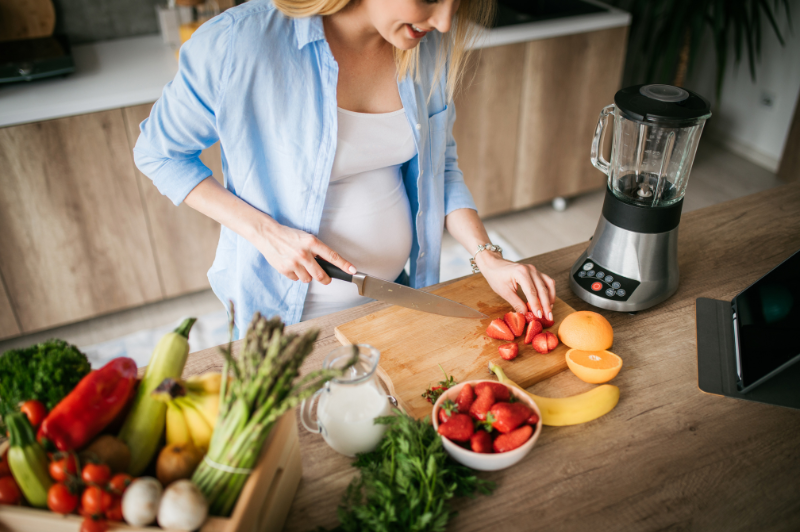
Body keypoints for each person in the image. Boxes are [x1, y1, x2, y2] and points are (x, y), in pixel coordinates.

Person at [134, 0, 556, 336]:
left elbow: (440, 168)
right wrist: (268, 234)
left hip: (395, 297)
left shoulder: (425, 45)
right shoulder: (239, 42)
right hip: (286, 318)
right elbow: (159, 153)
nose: (445, 21)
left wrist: (488, 257)